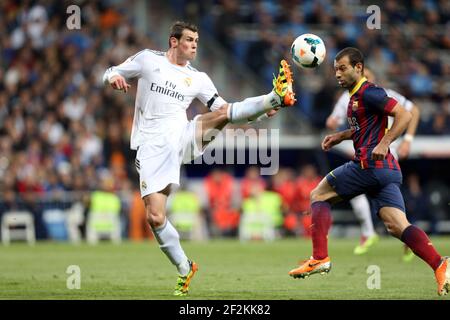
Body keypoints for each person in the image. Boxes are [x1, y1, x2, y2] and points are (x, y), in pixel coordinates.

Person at [103, 21, 296, 296]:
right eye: (190, 39)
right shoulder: (147, 60)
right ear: (174, 41)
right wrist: (112, 78)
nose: (195, 44)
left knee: (219, 114)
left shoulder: (199, 78)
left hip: (182, 138)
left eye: (197, 40)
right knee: (155, 217)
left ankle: (274, 97)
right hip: (151, 148)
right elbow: (110, 72)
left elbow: (226, 110)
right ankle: (185, 267)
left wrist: (263, 111)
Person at [288, 47, 449, 296]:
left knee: (318, 195)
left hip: (369, 165)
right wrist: (340, 136)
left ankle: (319, 258)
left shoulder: (369, 92)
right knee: (397, 226)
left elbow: (404, 115)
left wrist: (385, 143)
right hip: (386, 171)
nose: (338, 74)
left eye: (343, 68)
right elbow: (364, 127)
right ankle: (440, 265)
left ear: (358, 67)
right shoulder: (354, 97)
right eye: (335, 70)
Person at [325, 68, 421, 256]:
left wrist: (407, 140)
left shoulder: (380, 94)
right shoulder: (347, 97)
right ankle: (406, 233)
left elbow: (412, 111)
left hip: (386, 150)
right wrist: (334, 124)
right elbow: (336, 120)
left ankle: (377, 232)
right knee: (384, 201)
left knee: (350, 189)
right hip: (365, 152)